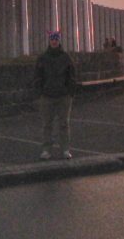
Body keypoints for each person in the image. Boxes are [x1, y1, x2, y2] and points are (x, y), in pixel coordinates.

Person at [34, 30, 76, 160]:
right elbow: (38, 76)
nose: (54, 41)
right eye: (52, 39)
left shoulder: (66, 57)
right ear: (49, 40)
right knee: (47, 124)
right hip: (47, 96)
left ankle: (65, 150)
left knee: (64, 124)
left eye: (56, 39)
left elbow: (71, 76)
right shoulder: (42, 58)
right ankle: (46, 150)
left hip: (63, 96)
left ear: (59, 40)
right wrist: (40, 92)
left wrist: (70, 92)